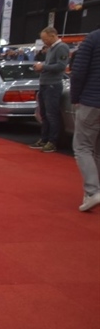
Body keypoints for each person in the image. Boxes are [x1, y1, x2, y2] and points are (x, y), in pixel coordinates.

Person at [69, 29, 100, 212]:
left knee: (82, 147)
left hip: (92, 101)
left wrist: (75, 97)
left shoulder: (92, 39)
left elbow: (78, 72)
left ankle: (92, 191)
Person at [30, 26, 70, 153]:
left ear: (53, 35)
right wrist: (41, 67)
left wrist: (43, 67)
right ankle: (44, 139)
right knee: (44, 114)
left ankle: (53, 141)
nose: (44, 42)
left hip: (53, 85)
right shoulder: (51, 48)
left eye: (45, 39)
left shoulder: (62, 47)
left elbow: (61, 66)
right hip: (45, 84)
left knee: (52, 114)